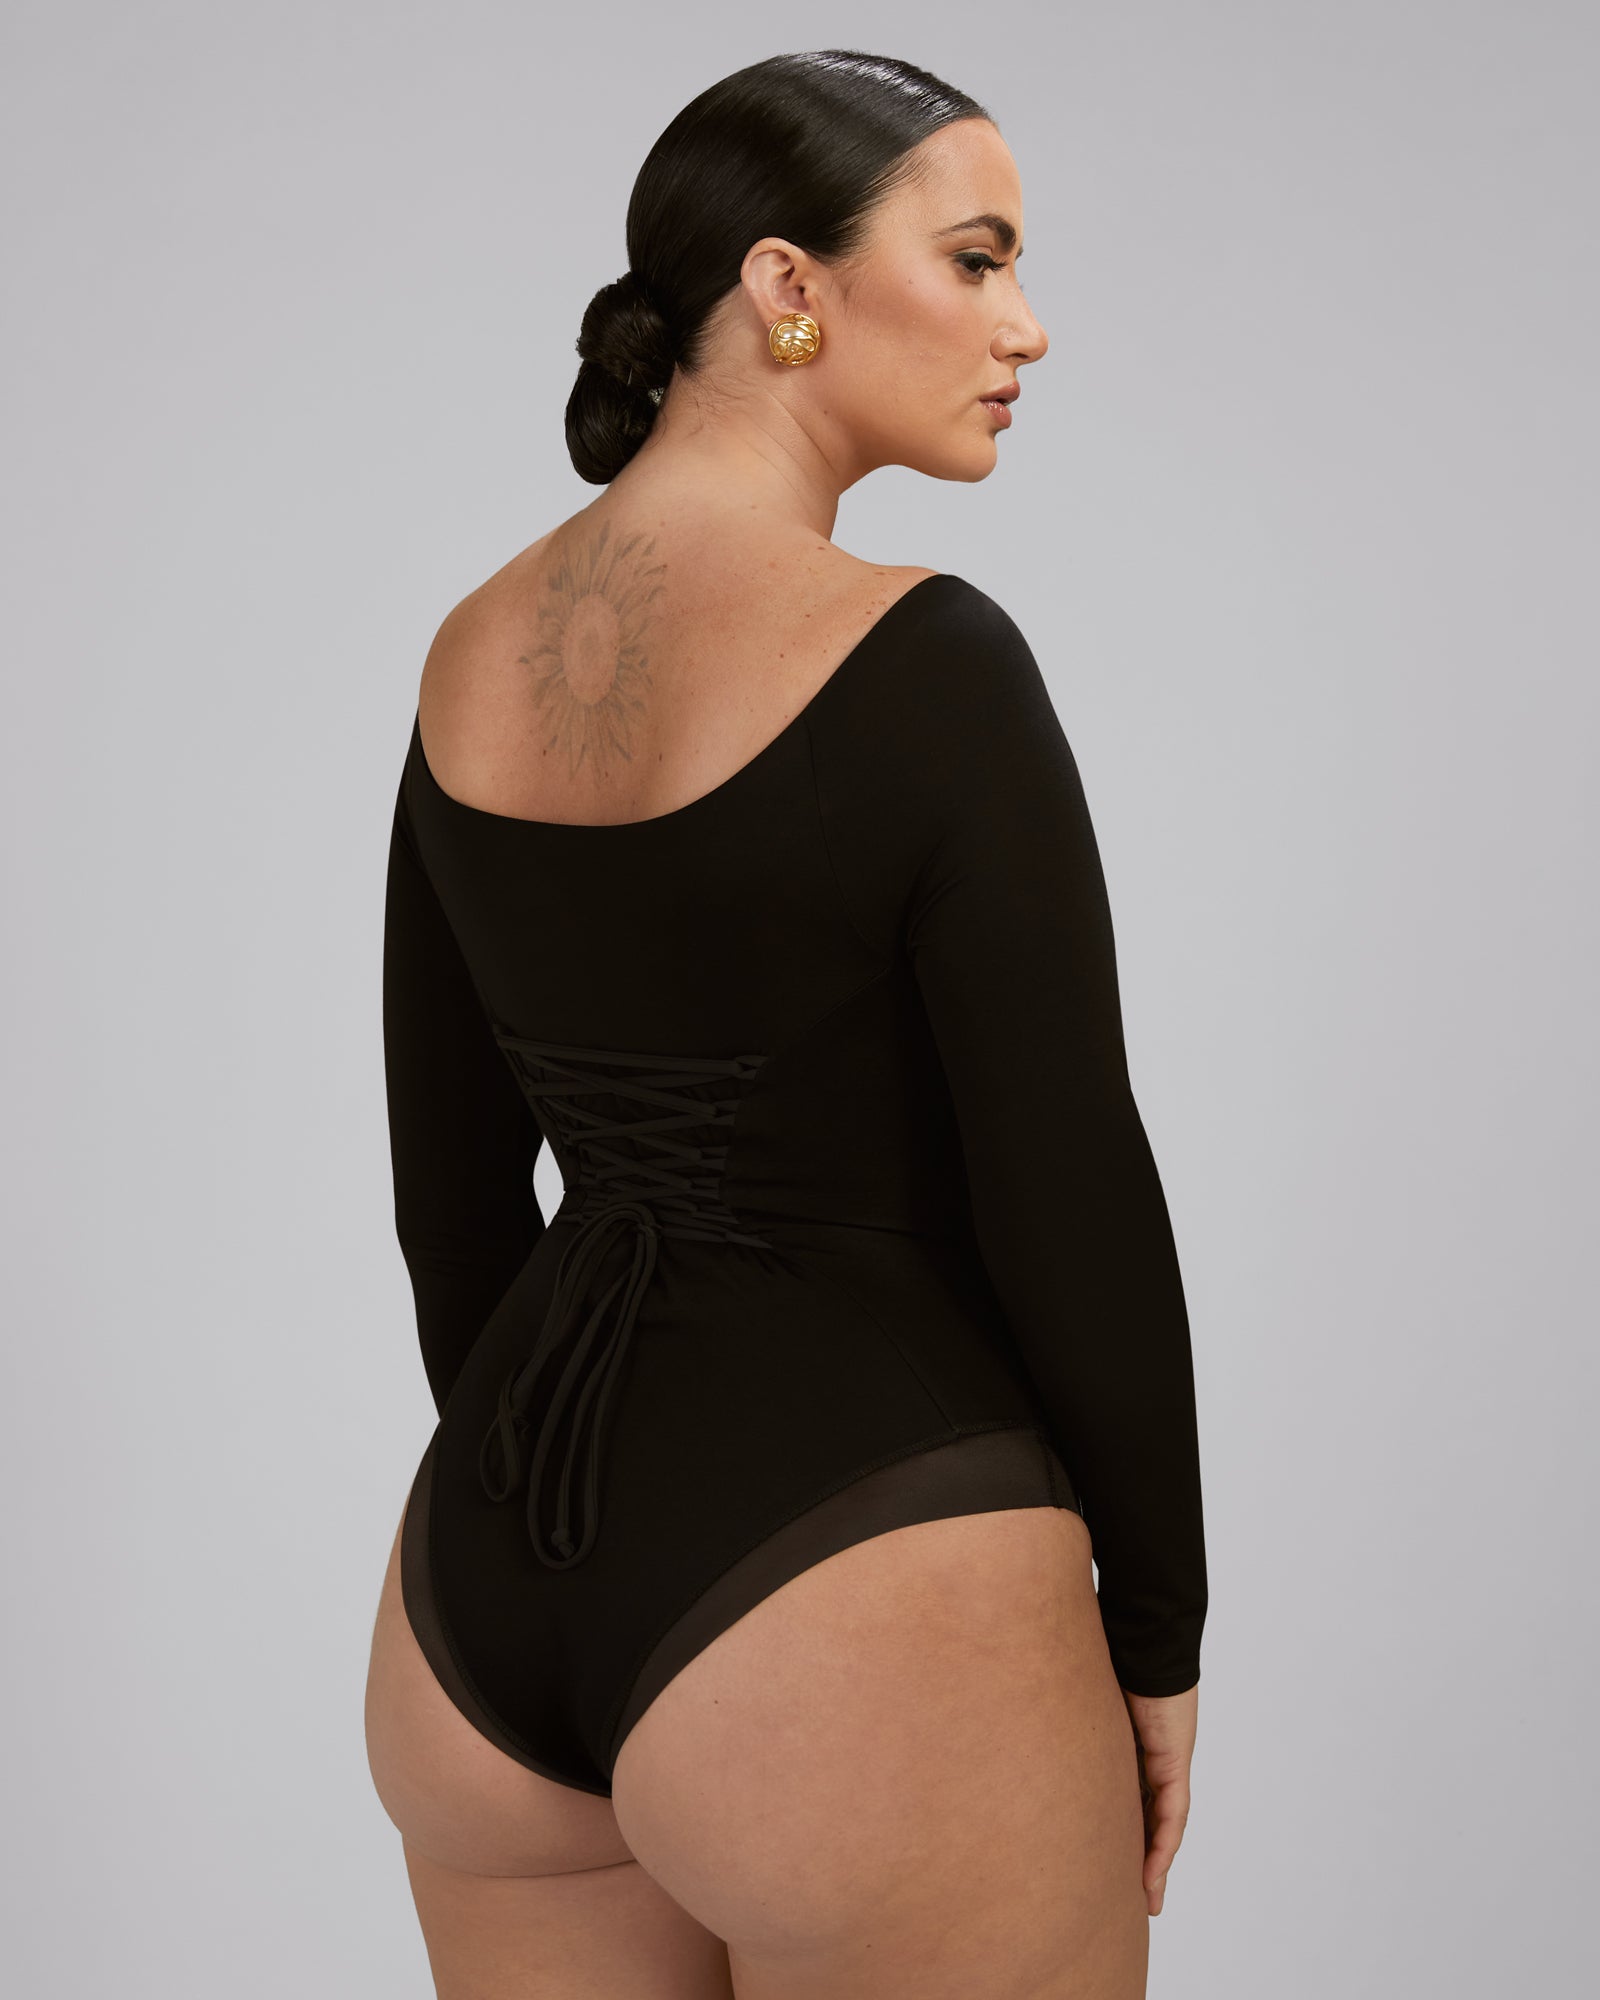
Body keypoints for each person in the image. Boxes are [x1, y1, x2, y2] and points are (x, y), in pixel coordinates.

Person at [363, 47, 1207, 2000]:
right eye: (978, 259)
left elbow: (450, 1201)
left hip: (481, 1602)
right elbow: (1067, 1192)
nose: (1027, 325)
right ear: (786, 288)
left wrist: (561, 1538)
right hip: (859, 1583)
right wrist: (1155, 1626)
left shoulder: (470, 648)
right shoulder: (926, 662)